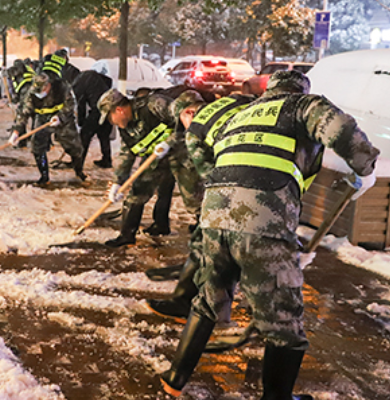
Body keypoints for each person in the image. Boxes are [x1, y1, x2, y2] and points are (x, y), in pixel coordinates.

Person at [159, 70, 380, 399]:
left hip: (216, 215)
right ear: (298, 90)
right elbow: (339, 128)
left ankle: (175, 378)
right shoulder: (301, 107)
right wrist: (366, 166)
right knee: (283, 318)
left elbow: (205, 149)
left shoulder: (242, 113)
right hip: (264, 217)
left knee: (209, 297)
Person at [146, 91, 256, 323]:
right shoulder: (238, 104)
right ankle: (255, 308)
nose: (184, 128)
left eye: (182, 122)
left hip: (237, 190)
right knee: (254, 248)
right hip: (272, 184)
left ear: (188, 113)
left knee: (212, 245)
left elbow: (209, 176)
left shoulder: (196, 129)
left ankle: (189, 302)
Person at [97, 88, 202, 247]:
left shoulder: (154, 105)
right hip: (155, 159)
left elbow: (185, 121)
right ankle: (127, 235)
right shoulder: (126, 128)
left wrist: (169, 142)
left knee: (193, 196)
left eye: (110, 118)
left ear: (119, 110)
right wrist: (118, 182)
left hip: (181, 154)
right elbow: (126, 154)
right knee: (137, 192)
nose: (112, 122)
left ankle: (208, 234)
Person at [10, 73, 87, 186]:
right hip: (42, 118)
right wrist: (16, 131)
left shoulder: (61, 87)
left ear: (48, 85)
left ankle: (79, 172)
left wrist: (60, 117)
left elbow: (70, 104)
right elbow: (24, 113)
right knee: (37, 146)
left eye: (42, 90)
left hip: (62, 119)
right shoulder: (31, 93)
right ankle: (44, 177)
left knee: (74, 146)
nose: (40, 93)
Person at [72, 70, 114, 168]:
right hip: (109, 106)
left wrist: (81, 122)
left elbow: (81, 104)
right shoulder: (91, 74)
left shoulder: (78, 84)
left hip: (98, 109)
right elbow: (109, 80)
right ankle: (107, 160)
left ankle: (78, 163)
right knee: (104, 135)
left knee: (84, 136)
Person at [7, 59, 36, 149]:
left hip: (26, 96)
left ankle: (21, 141)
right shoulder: (29, 70)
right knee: (37, 120)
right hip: (36, 96)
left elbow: (14, 89)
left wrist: (14, 99)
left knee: (21, 118)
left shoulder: (16, 74)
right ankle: (37, 142)